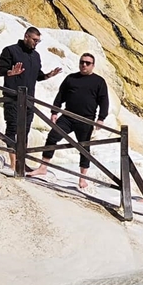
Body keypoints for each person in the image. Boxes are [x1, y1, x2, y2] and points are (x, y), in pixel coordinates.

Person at [30, 52, 109, 187]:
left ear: (93, 66)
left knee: (84, 148)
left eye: (87, 63)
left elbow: (104, 101)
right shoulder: (71, 78)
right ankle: (43, 168)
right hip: (67, 116)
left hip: (86, 120)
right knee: (52, 137)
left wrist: (101, 118)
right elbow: (60, 95)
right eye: (82, 62)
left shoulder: (99, 81)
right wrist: (55, 111)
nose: (84, 65)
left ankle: (82, 178)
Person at [0, 27, 60, 173]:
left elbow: (37, 75)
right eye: (34, 40)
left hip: (29, 99)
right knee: (12, 128)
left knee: (25, 131)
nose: (36, 43)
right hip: (12, 97)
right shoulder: (10, 50)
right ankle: (13, 164)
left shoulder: (36, 56)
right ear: (26, 37)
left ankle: (21, 162)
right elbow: (0, 70)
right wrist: (10, 72)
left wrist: (47, 76)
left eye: (38, 41)